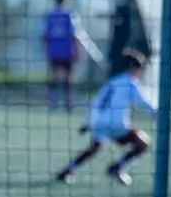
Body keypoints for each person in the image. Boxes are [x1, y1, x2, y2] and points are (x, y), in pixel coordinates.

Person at [56, 49, 155, 186]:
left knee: (94, 148)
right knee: (144, 143)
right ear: (133, 68)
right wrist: (157, 114)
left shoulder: (111, 82)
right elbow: (143, 102)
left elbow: (97, 103)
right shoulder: (131, 83)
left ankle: (67, 170)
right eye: (141, 69)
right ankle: (116, 167)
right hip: (116, 124)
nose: (141, 73)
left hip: (98, 123)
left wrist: (88, 123)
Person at [42, 0, 79, 111]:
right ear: (65, 1)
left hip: (53, 50)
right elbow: (74, 34)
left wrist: (46, 48)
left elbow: (44, 34)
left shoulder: (49, 15)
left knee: (53, 77)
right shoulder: (69, 15)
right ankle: (68, 102)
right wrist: (76, 50)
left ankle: (53, 102)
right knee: (68, 77)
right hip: (67, 50)